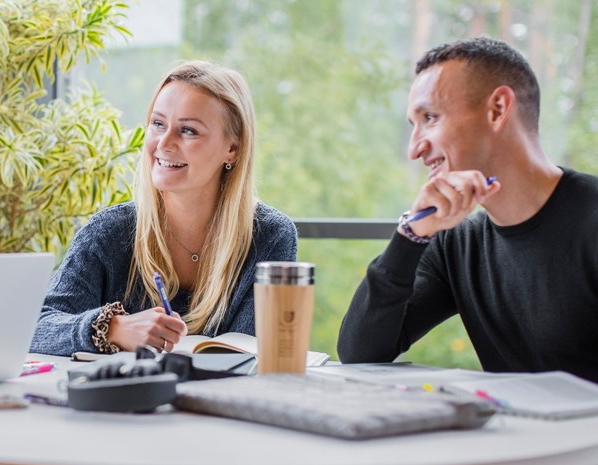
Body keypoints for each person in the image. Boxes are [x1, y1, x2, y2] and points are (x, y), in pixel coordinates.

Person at [338, 37, 598, 383]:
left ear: (497, 109)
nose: (415, 149)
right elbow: (360, 353)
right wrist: (410, 236)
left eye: (430, 117)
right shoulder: (456, 243)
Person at [31, 61, 297, 356]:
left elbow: (253, 351)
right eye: (158, 124)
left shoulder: (270, 235)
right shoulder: (109, 231)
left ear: (232, 149)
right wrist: (113, 328)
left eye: (188, 130)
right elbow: (36, 328)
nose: (164, 143)